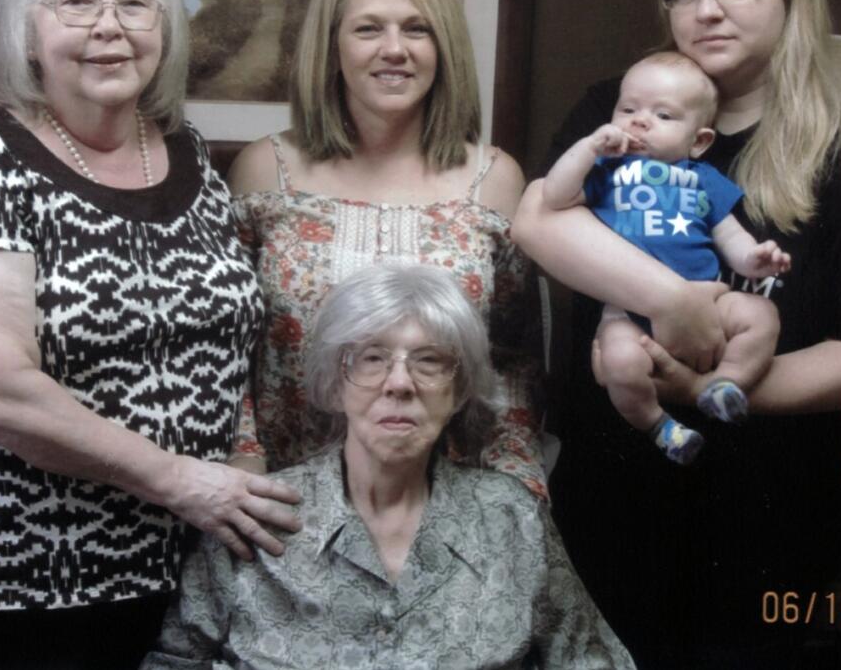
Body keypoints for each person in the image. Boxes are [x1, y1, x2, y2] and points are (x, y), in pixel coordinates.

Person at [0, 0, 301, 669]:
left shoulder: (182, 150)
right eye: (77, 4)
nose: (110, 28)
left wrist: (234, 472)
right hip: (35, 575)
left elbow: (221, 337)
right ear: (28, 35)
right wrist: (183, 483)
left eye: (134, 6)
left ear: (164, 30)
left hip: (192, 557)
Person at [512, 0, 841, 667]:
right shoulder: (621, 109)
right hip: (612, 497)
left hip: (767, 517)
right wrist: (674, 303)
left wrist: (700, 389)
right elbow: (539, 222)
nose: (708, 9)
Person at [142, 264, 635, 669]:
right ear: (335, 385)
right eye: (371, 359)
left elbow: (590, 660)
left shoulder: (511, 516)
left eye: (429, 361)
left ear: (459, 390)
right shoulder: (256, 514)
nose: (399, 383)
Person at [227, 0, 547, 499]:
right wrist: (244, 467)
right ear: (332, 45)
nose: (394, 49)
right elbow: (229, 350)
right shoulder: (263, 173)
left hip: (450, 512)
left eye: (417, 28)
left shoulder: (493, 181)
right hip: (283, 506)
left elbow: (512, 362)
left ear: (442, 44)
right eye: (369, 27)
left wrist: (517, 492)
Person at [542, 51, 790, 465]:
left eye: (664, 115)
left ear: (699, 141)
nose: (640, 120)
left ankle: (725, 384)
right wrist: (589, 149)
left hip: (708, 301)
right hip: (627, 311)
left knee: (762, 315)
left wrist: (755, 259)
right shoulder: (607, 173)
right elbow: (553, 195)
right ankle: (661, 427)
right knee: (618, 362)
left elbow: (730, 237)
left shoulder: (704, 180)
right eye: (628, 109)